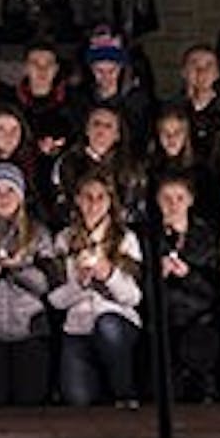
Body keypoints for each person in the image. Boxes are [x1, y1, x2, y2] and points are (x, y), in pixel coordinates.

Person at [48, 173, 144, 408]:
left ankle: (124, 392)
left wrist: (109, 275)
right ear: (78, 200)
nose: (94, 203)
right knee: (78, 398)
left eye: (101, 197)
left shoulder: (125, 239)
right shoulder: (64, 240)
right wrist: (79, 284)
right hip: (78, 327)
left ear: (110, 201)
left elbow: (133, 297)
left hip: (117, 321)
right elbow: (55, 299)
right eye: (88, 197)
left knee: (107, 325)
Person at [0, 162, 58, 407]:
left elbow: (48, 286)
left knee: (30, 399)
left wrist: (19, 268)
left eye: (10, 190)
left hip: (30, 329)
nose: (4, 197)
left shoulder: (38, 233)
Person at [151, 174, 220, 402]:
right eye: (167, 198)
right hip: (161, 320)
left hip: (198, 318)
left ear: (190, 200)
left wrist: (189, 275)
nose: (173, 205)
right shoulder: (148, 238)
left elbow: (215, 289)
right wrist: (156, 275)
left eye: (179, 198)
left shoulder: (205, 237)